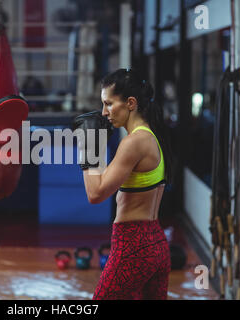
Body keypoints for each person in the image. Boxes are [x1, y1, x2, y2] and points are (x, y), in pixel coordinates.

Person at [73, 68, 173, 300]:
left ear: (130, 103)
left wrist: (88, 149)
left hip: (133, 246)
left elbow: (95, 193)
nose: (104, 112)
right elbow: (105, 181)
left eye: (109, 104)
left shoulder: (134, 142)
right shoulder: (151, 136)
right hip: (156, 243)